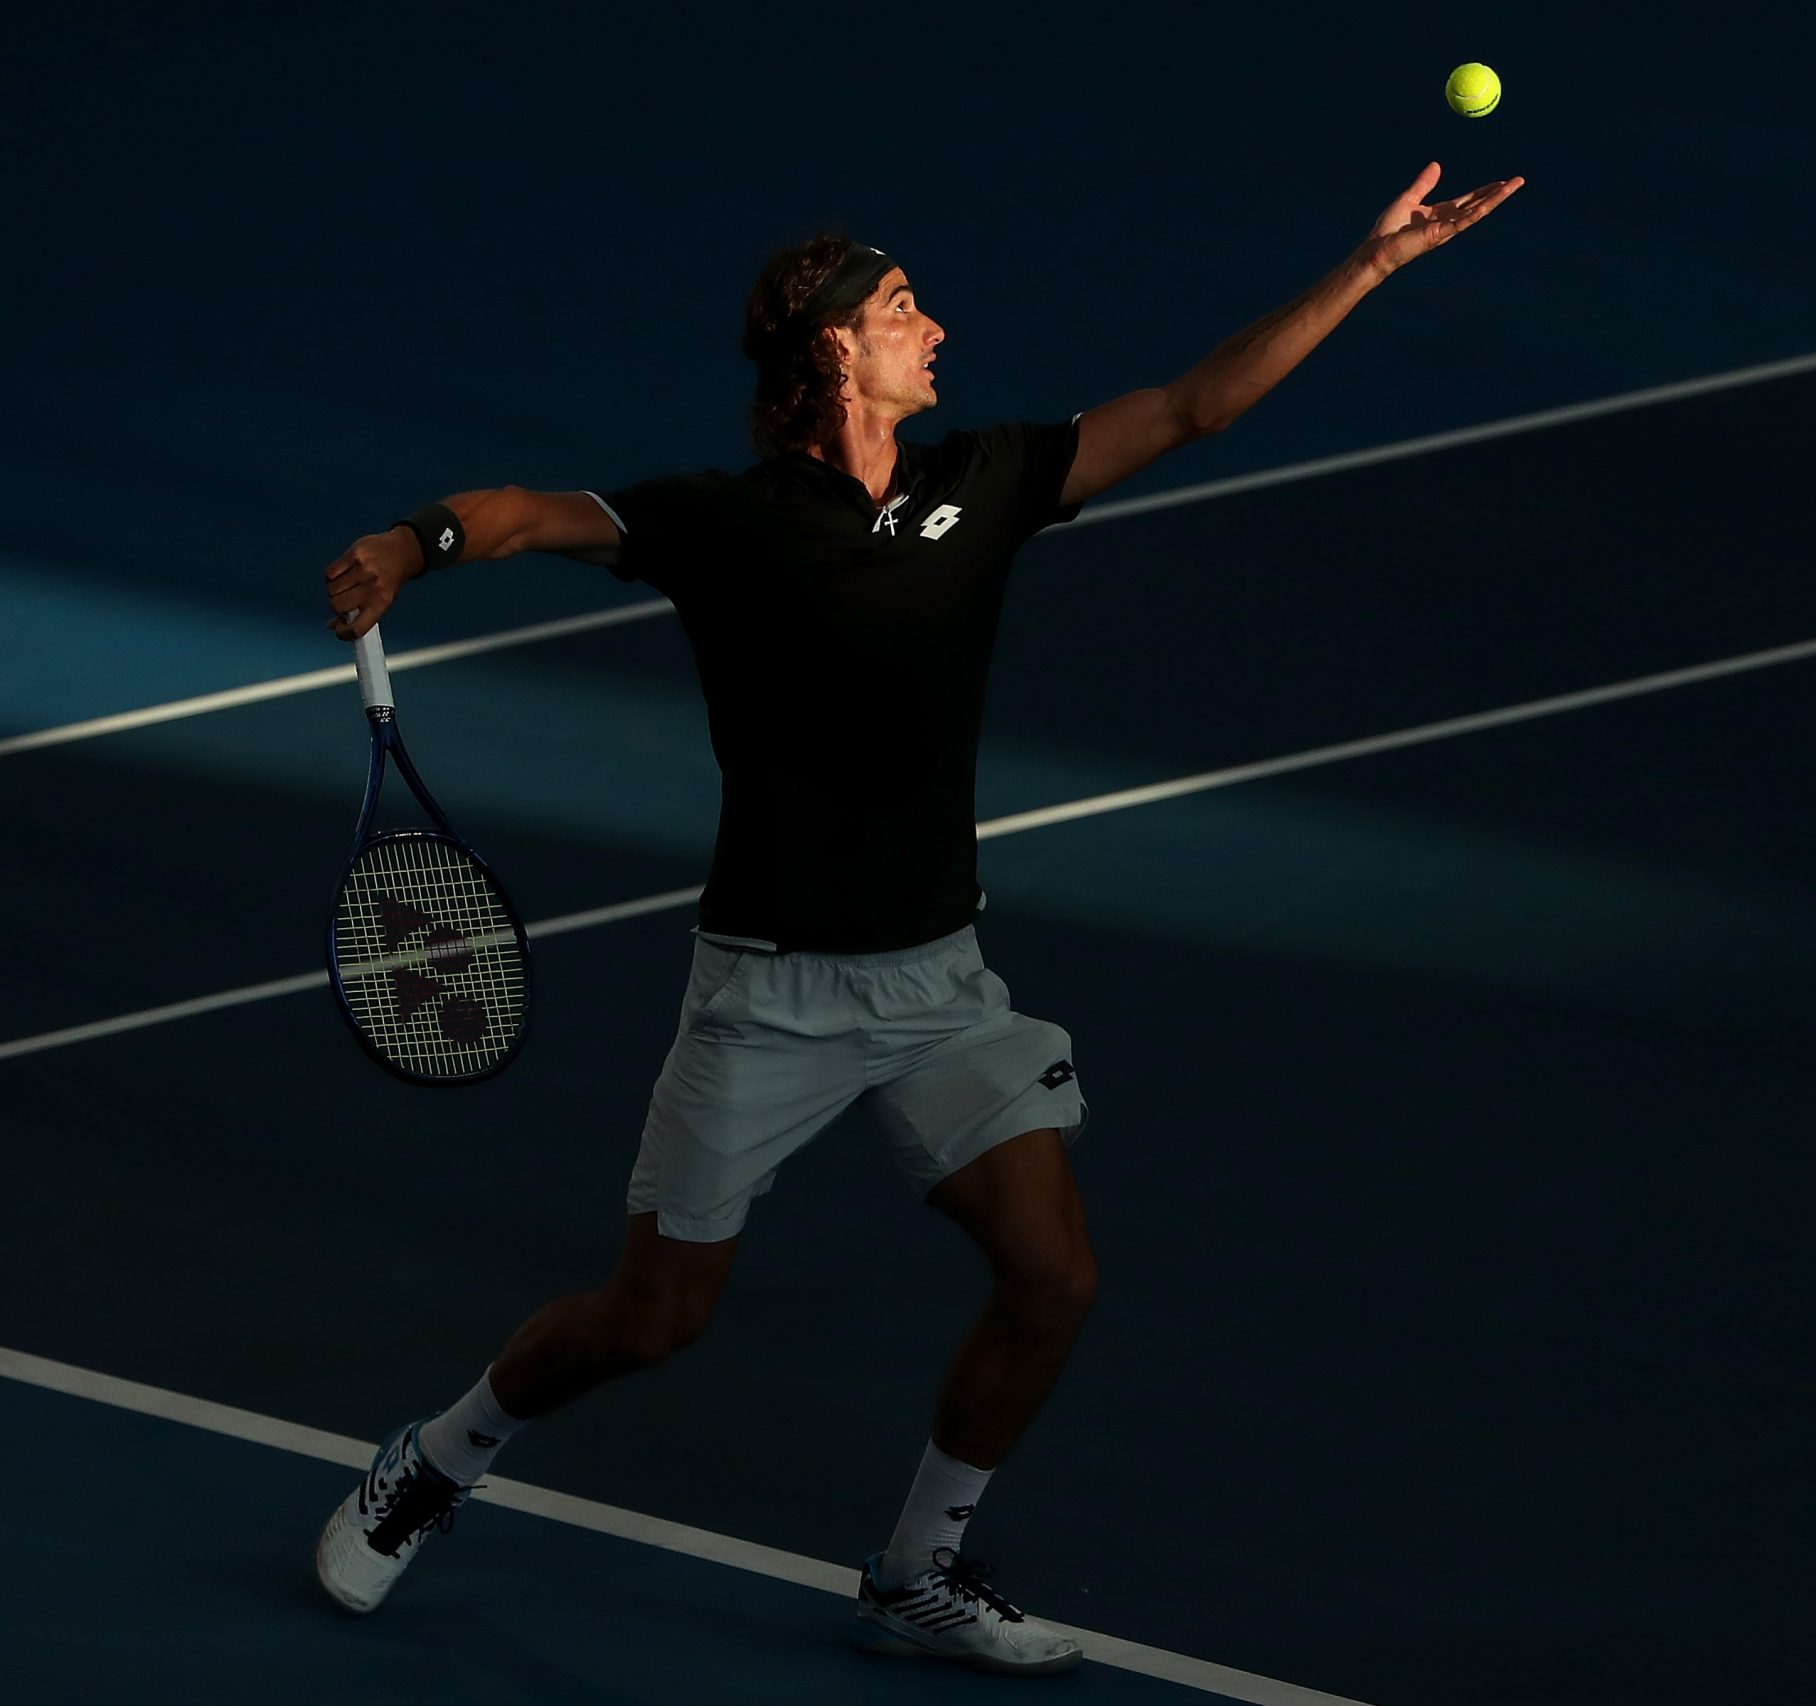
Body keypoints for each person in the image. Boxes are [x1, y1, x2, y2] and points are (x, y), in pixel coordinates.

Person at [311, 161, 1521, 1675]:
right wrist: (414, 542)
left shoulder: (989, 481)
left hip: (941, 983)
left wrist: (1370, 267)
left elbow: (1196, 406)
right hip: (766, 997)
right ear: (832, 349)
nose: (932, 327)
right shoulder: (730, 525)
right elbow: (522, 514)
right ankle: (440, 1453)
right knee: (651, 1319)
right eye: (898, 310)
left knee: (1053, 1275)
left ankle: (914, 1569)